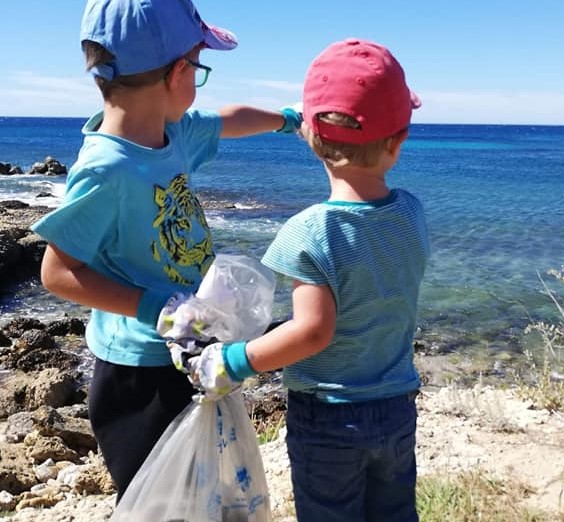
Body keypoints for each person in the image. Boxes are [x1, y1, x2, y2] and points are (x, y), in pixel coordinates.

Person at [30, 0, 301, 502]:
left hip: (188, 351)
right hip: (137, 375)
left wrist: (289, 120)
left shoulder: (170, 133)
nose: (199, 80)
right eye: (198, 66)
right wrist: (158, 307)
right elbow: (57, 272)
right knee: (156, 501)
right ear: (179, 71)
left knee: (200, 498)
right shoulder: (106, 167)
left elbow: (229, 118)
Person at [174, 38, 429, 522]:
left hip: (330, 417)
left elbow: (313, 332)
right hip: (397, 406)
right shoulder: (411, 213)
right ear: (399, 140)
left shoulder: (311, 231)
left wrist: (233, 361)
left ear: (310, 136)